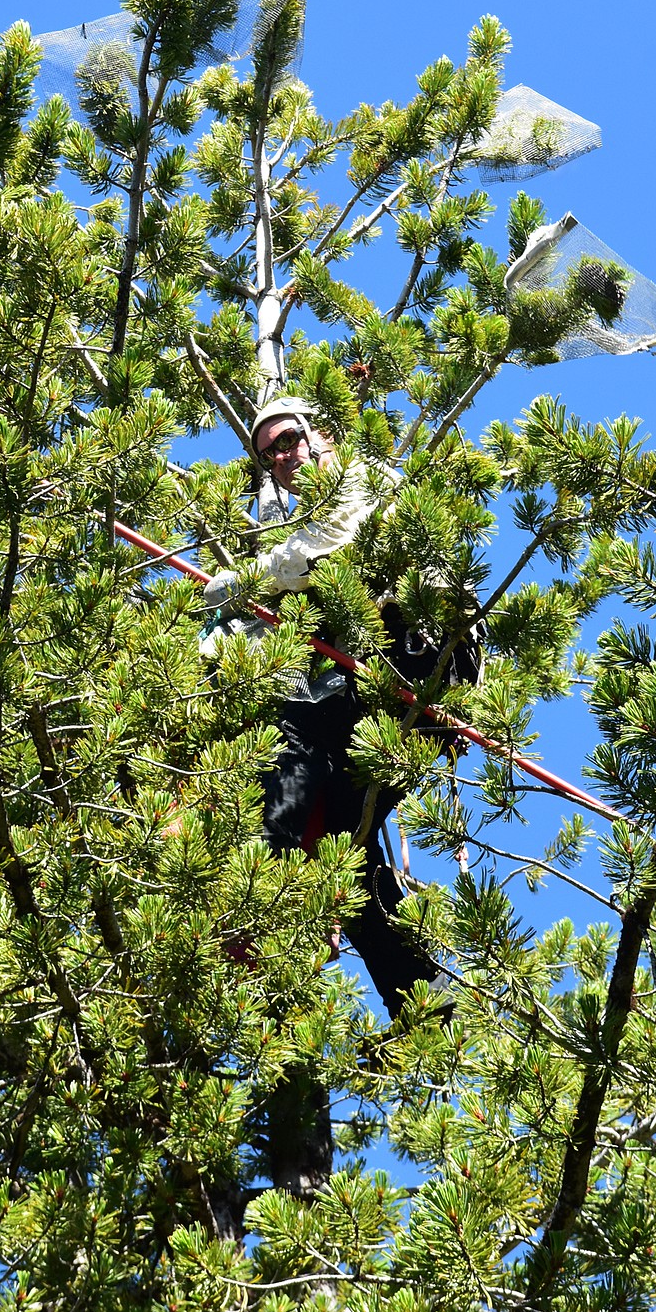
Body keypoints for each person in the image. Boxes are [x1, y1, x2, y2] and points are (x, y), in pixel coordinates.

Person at [202, 398, 476, 1017]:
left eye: (289, 439)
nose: (282, 457)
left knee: (292, 730)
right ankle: (422, 996)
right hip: (380, 691)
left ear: (318, 435)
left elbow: (328, 542)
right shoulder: (302, 520)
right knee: (343, 852)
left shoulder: (362, 475)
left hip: (419, 655)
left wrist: (246, 580)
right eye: (268, 453)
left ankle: (255, 888)